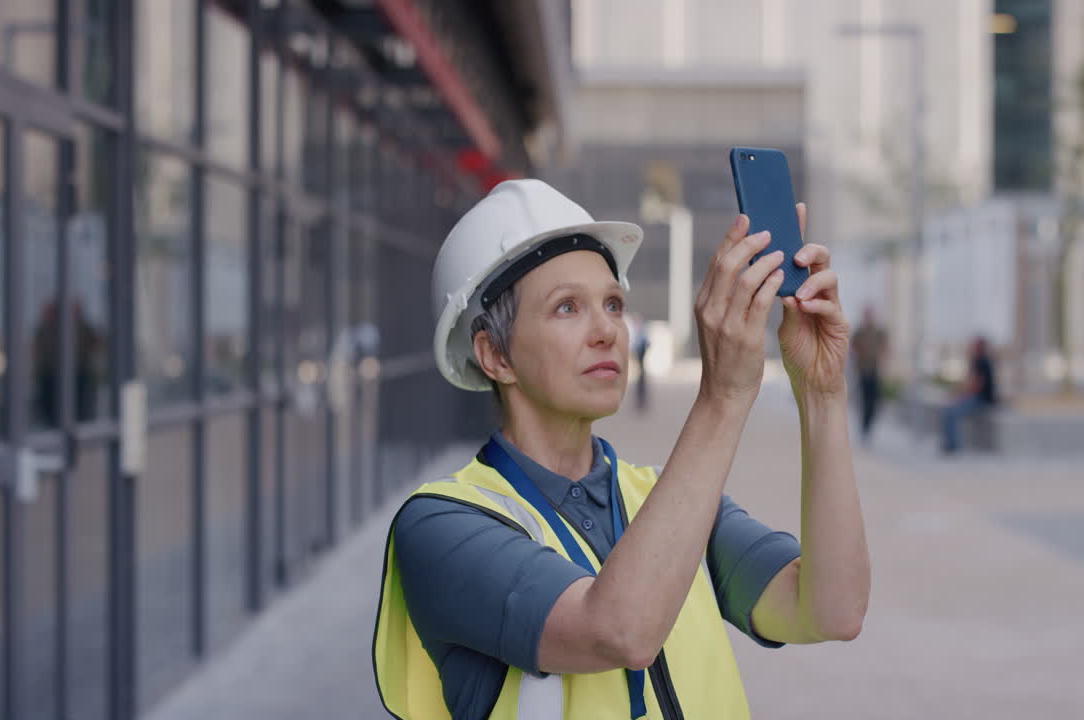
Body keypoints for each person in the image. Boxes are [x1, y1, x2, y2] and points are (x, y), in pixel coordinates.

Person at [373, 180, 870, 719]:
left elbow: (831, 611)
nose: (608, 330)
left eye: (612, 303)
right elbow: (617, 632)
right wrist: (723, 396)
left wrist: (821, 394)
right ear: (494, 355)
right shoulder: (441, 525)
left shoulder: (665, 497)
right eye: (567, 308)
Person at [941, 335, 998, 454]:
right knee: (948, 410)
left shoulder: (983, 361)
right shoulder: (978, 361)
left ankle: (952, 446)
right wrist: (957, 394)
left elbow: (977, 386)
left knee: (951, 412)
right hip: (977, 397)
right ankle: (950, 444)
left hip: (981, 399)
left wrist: (959, 396)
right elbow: (969, 383)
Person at [850, 305, 887, 444]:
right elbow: (853, 347)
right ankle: (864, 429)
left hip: (875, 370)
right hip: (863, 371)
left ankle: (869, 426)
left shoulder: (879, 332)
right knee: (865, 401)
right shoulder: (860, 331)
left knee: (874, 402)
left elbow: (885, 348)